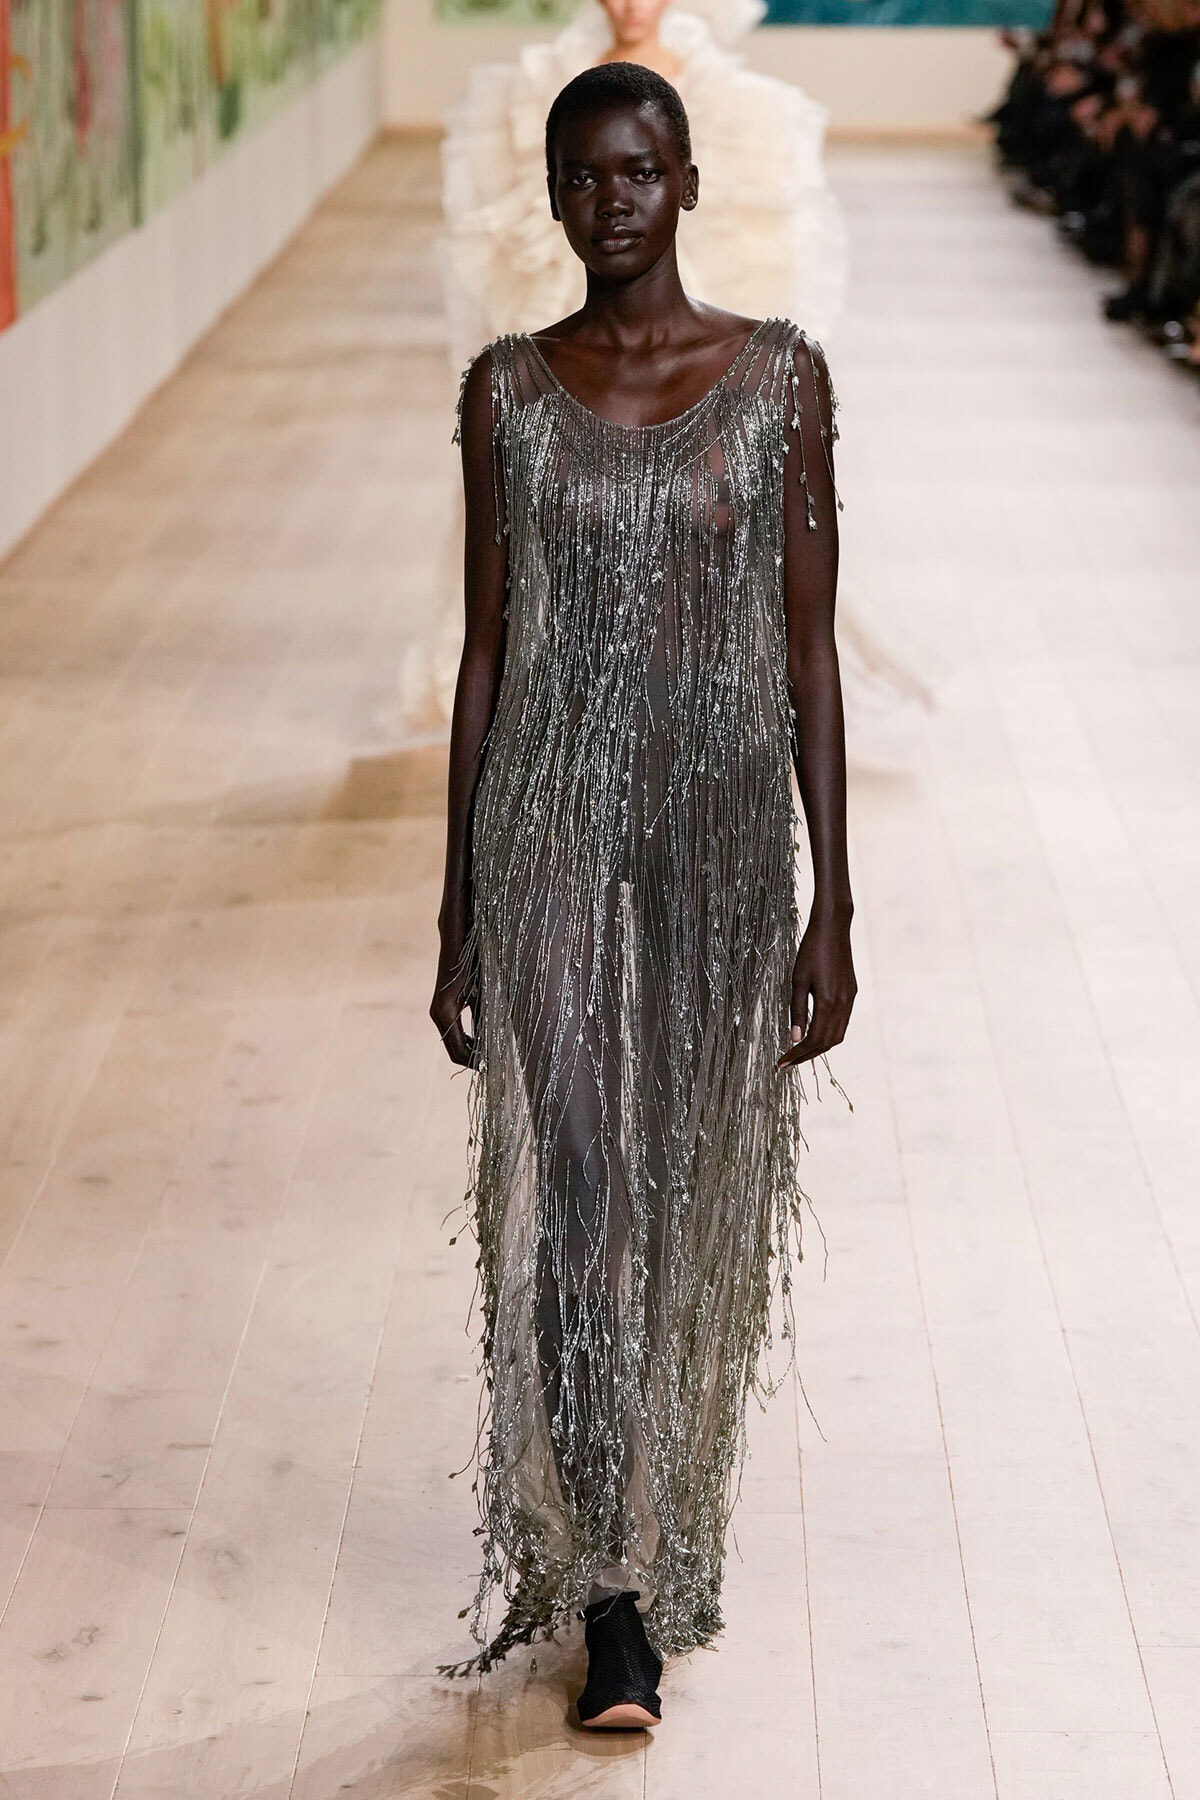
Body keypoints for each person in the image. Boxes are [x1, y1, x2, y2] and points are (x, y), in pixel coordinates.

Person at [429, 61, 856, 1730]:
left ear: (687, 183)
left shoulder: (777, 384)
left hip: (728, 827)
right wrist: (456, 902)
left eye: (638, 172)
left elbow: (809, 651)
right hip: (544, 814)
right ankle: (610, 1587)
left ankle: (661, 1524)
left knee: (686, 1193)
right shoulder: (507, 395)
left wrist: (835, 904)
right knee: (588, 1186)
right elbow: (487, 652)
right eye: (581, 177)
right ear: (553, 196)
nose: (610, 201)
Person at [394, 0, 933, 760]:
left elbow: (768, 244)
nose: (630, 3)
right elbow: (509, 244)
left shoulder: (737, 105)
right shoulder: (539, 87)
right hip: (572, 336)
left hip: (694, 343)